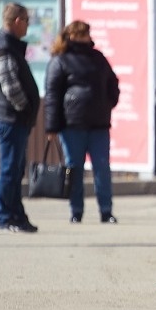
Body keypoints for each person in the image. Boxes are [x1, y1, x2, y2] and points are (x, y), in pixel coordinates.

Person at [43, 20, 121, 224]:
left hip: (99, 124)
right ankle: (76, 211)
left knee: (102, 168)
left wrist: (108, 103)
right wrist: (52, 126)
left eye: (87, 33)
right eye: (81, 33)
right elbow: (52, 95)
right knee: (74, 169)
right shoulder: (60, 61)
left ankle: (106, 210)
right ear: (72, 36)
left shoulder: (98, 58)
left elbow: (113, 83)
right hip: (71, 125)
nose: (86, 37)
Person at [0, 2, 41, 234]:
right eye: (27, 21)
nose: (28, 25)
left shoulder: (10, 47)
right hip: (10, 119)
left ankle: (17, 217)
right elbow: (10, 87)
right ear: (17, 21)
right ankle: (4, 218)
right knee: (10, 171)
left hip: (16, 119)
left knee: (16, 170)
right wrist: (26, 108)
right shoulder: (3, 48)